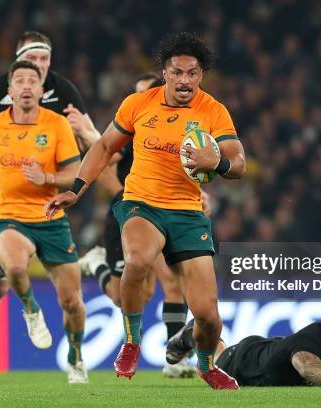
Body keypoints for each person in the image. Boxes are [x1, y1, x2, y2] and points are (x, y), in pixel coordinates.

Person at [45, 32, 246, 390]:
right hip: (141, 202)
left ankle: (206, 365)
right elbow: (105, 147)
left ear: (201, 76)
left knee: (208, 316)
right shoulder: (138, 104)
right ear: (165, 73)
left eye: (193, 73)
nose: (185, 80)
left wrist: (217, 161)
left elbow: (239, 162)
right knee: (137, 260)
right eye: (177, 72)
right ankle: (132, 342)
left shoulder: (213, 110)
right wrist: (75, 190)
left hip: (187, 211)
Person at [0, 31, 113, 381]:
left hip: (48, 197)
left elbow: (96, 148)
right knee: (11, 268)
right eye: (29, 63)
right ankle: (1, 296)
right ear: (11, 83)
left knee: (67, 300)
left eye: (44, 61)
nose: (37, 69)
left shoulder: (64, 97)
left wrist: (85, 136)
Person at [0, 60, 88, 384]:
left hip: (51, 218)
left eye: (33, 81)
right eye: (20, 81)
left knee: (73, 302)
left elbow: (75, 172)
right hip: (11, 215)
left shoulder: (56, 125)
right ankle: (31, 310)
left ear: (41, 91)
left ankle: (76, 358)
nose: (26, 86)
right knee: (13, 266)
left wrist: (47, 177)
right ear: (9, 91)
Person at [74, 72, 205, 378]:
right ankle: (97, 264)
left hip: (165, 214)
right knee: (129, 296)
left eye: (146, 91)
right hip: (131, 215)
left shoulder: (177, 131)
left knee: (173, 285)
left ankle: (175, 363)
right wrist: (88, 133)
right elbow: (105, 153)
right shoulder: (133, 136)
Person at [167, 295, 321, 387]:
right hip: (245, 362)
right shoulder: (310, 342)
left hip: (271, 348)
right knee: (214, 356)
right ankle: (189, 334)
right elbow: (308, 367)